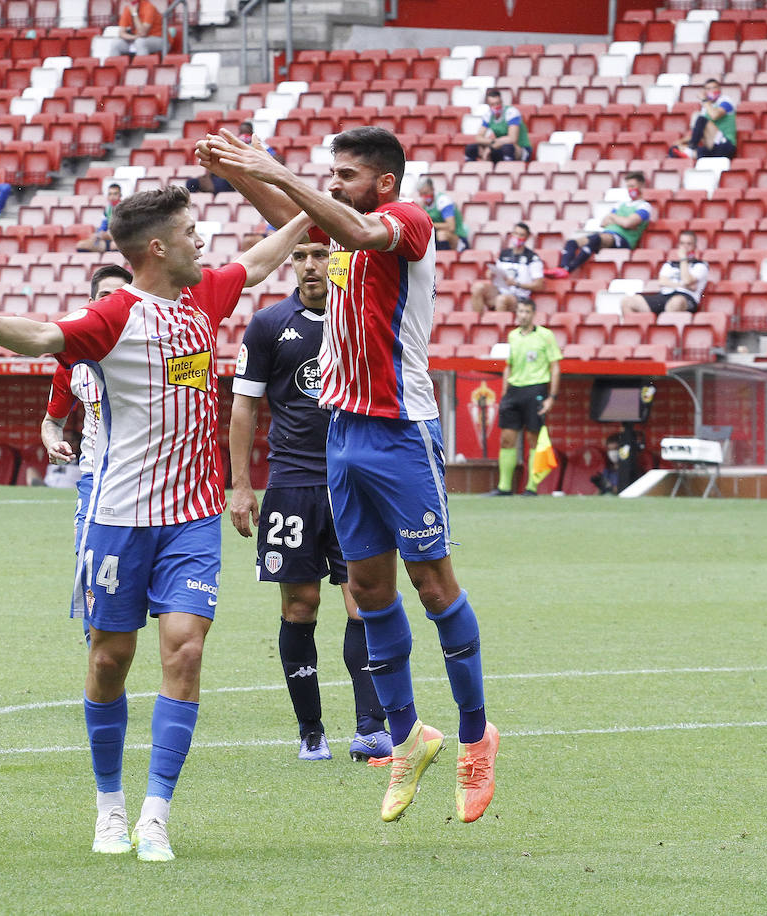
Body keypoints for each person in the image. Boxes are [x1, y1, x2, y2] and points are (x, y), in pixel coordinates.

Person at [0, 187, 314, 861]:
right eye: (192, 232)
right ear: (159, 248)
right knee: (110, 660)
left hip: (192, 517)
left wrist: (317, 212)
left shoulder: (204, 296)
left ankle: (156, 814)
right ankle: (108, 806)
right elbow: (46, 338)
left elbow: (257, 262)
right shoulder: (114, 315)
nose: (204, 242)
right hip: (116, 517)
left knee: (186, 651)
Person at [200, 126, 499, 825]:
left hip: (402, 433)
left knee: (434, 585)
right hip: (344, 434)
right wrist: (237, 173)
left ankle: (476, 736)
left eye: (345, 174)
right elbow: (295, 221)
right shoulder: (339, 235)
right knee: (366, 591)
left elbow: (357, 231)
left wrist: (271, 166)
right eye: (329, 173)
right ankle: (406, 740)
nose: (332, 183)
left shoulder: (406, 222)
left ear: (384, 183)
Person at [228, 235, 391, 763]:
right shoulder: (269, 324)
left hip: (354, 482)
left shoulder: (359, 316)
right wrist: (242, 485)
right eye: (299, 255)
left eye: (320, 254)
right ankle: (311, 732)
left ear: (337, 260)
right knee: (301, 605)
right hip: (292, 486)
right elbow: (244, 408)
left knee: (362, 604)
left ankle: (370, 727)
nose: (310, 265)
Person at [41, 264, 133, 553]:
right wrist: (53, 443)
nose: (111, 303)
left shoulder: (153, 353)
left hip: (143, 479)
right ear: (92, 305)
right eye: (105, 296)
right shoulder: (73, 363)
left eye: (119, 296)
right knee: (88, 560)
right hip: (95, 475)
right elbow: (51, 422)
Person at [489, 300, 562, 497]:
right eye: (520, 311)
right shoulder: (512, 336)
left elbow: (555, 366)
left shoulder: (545, 335)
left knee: (533, 439)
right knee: (507, 439)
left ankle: (531, 487)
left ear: (533, 313)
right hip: (514, 390)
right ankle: (504, 487)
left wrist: (552, 397)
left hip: (535, 389)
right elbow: (509, 365)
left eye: (527, 311)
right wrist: (505, 393)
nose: (523, 315)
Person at [546, 171, 654, 278]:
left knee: (595, 240)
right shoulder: (621, 204)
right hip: (607, 234)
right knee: (572, 242)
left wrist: (614, 218)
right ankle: (562, 268)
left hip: (624, 239)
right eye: (628, 186)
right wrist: (620, 220)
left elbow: (627, 223)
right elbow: (604, 223)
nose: (630, 189)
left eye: (632, 186)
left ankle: (569, 269)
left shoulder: (644, 206)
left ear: (641, 185)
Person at [620, 230, 709, 314]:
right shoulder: (670, 264)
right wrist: (683, 285)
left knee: (676, 303)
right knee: (627, 302)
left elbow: (686, 280)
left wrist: (683, 259)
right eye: (682, 243)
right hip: (664, 295)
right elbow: (662, 282)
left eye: (689, 244)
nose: (685, 247)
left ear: (694, 246)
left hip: (686, 298)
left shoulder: (700, 265)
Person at [470, 221, 544, 314]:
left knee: (501, 300)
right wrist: (491, 274)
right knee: (477, 287)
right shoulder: (504, 254)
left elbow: (539, 285)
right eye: (516, 233)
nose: (517, 237)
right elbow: (497, 272)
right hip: (501, 290)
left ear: (527, 237)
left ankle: (498, 326)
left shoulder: (532, 258)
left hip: (519, 297)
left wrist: (516, 284)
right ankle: (478, 321)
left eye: (521, 235)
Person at [670, 78, 737, 160]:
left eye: (714, 88)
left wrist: (704, 100)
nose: (712, 91)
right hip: (711, 148)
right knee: (675, 149)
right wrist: (681, 141)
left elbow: (714, 115)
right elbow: (697, 133)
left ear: (719, 89)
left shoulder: (725, 101)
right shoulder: (705, 109)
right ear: (705, 91)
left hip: (725, 145)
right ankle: (689, 152)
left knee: (701, 119)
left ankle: (691, 149)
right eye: (708, 89)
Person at [464, 88, 531, 162]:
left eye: (498, 103)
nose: (496, 106)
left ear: (501, 102)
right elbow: (478, 137)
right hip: (500, 146)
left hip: (520, 148)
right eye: (492, 104)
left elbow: (512, 139)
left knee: (507, 148)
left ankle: (509, 170)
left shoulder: (511, 112)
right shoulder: (488, 115)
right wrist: (492, 143)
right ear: (488, 105)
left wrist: (491, 147)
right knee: (471, 149)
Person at [416, 176, 469, 252]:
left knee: (441, 234)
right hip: (436, 238)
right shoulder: (422, 204)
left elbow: (451, 227)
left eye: (426, 193)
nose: (424, 197)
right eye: (421, 194)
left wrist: (431, 225)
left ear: (432, 189)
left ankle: (444, 258)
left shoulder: (443, 201)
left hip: (458, 238)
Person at [76, 184, 123, 253]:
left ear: (120, 195)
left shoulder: (125, 209)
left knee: (114, 245)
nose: (112, 197)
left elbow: (125, 233)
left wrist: (108, 235)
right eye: (110, 194)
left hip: (120, 241)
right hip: (107, 241)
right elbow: (103, 226)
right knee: (81, 245)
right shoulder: (107, 210)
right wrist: (97, 235)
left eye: (115, 194)